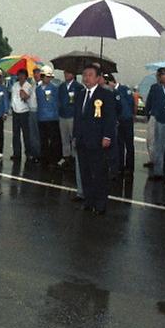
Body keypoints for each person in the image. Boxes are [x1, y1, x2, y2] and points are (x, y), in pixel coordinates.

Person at [73, 63, 116, 215]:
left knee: (99, 173)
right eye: (85, 74)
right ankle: (88, 201)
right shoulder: (80, 94)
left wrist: (107, 136)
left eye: (90, 74)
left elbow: (110, 118)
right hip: (82, 140)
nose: (87, 77)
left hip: (98, 141)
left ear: (98, 78)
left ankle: (100, 204)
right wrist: (75, 136)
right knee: (85, 173)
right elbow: (78, 118)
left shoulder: (106, 95)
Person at [146, 68, 165, 181]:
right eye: (162, 74)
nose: (164, 76)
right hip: (158, 119)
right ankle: (158, 171)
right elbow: (151, 102)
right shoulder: (157, 88)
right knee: (158, 145)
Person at [36, 65, 61, 166]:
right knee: (43, 139)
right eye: (46, 76)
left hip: (52, 118)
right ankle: (44, 159)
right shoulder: (38, 89)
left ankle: (53, 159)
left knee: (53, 140)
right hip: (41, 117)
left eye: (49, 77)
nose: (47, 78)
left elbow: (57, 102)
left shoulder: (54, 88)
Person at [58, 69, 84, 167]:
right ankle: (66, 157)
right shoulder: (61, 86)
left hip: (72, 116)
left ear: (73, 74)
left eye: (68, 72)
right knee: (64, 138)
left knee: (73, 138)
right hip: (62, 116)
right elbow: (59, 101)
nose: (66, 74)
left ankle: (74, 157)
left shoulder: (78, 87)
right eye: (65, 73)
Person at [111, 74, 136, 175]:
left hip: (127, 119)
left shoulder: (124, 89)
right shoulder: (110, 92)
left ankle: (130, 166)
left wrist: (131, 115)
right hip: (118, 121)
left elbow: (131, 103)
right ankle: (120, 165)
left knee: (129, 144)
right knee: (119, 144)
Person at [10, 68, 33, 161]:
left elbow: (27, 98)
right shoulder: (15, 85)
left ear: (26, 76)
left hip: (24, 112)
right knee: (15, 134)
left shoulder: (28, 86)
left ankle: (28, 153)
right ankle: (16, 153)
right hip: (15, 112)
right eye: (19, 75)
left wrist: (24, 94)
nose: (21, 77)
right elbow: (12, 97)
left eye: (23, 75)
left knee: (26, 134)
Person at [28, 67, 42, 163]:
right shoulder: (32, 86)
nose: (36, 75)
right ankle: (34, 153)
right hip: (31, 111)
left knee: (38, 134)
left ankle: (39, 154)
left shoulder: (42, 86)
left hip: (38, 112)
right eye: (34, 74)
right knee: (32, 134)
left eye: (37, 73)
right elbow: (29, 98)